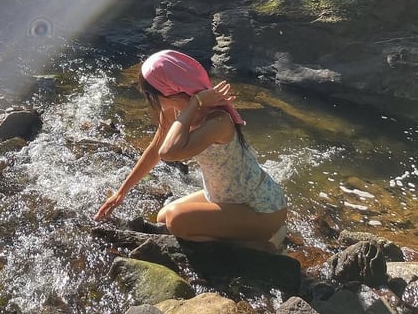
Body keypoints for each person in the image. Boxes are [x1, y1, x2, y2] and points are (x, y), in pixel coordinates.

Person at [94, 49, 287, 251]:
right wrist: (121, 193)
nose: (149, 99)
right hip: (225, 197)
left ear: (169, 92)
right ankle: (242, 233)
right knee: (163, 217)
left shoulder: (217, 120)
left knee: (177, 221)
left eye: (151, 94)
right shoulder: (178, 112)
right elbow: (156, 148)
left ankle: (264, 242)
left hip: (260, 208)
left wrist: (195, 102)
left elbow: (168, 153)